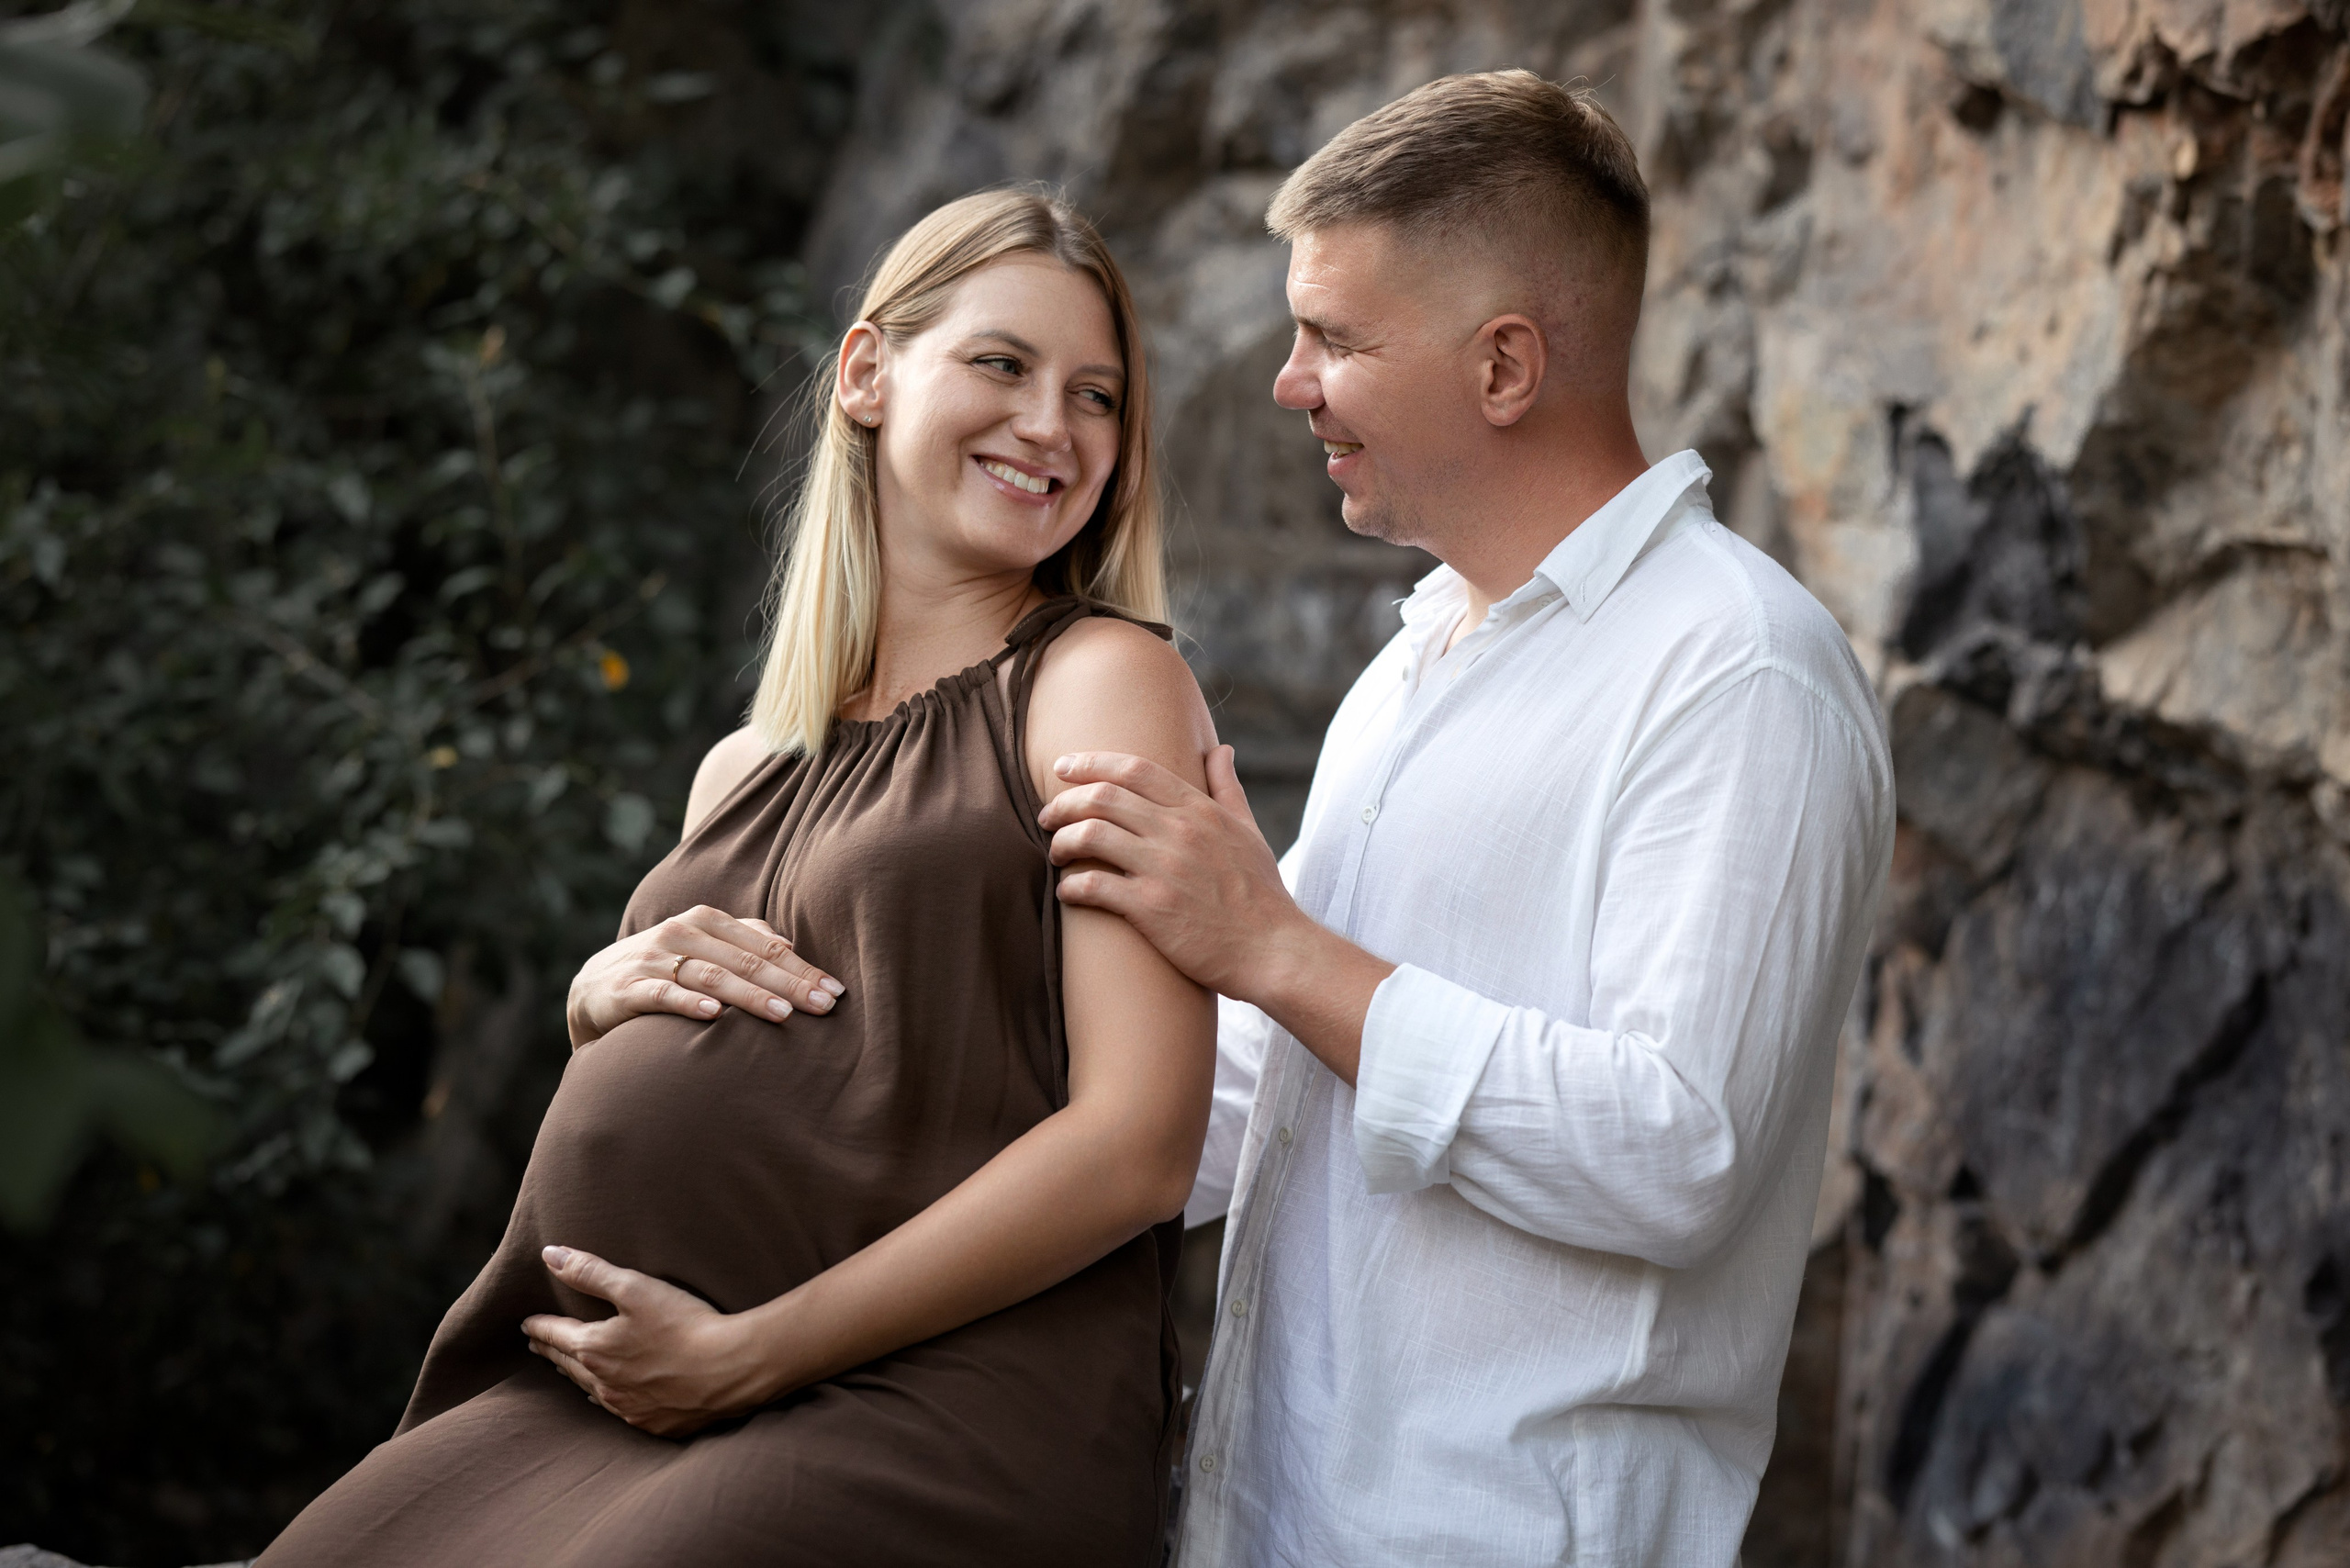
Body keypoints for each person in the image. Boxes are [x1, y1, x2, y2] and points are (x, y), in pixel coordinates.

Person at [256, 188, 1219, 1568]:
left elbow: (1139, 1142)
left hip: (938, 1395)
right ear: (868, 373)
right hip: (625, 1393)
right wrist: (599, 994)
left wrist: (752, 1354)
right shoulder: (744, 766)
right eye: (1001, 365)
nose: (1050, 426)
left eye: (1096, 396)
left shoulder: (1100, 680)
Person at [1035, 72, 1897, 1565]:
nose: (1290, 382)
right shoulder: (1420, 653)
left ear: (1504, 366)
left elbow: (1680, 1149)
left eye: (1337, 339)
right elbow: (1259, 1088)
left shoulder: (1740, 671)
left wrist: (1278, 950)